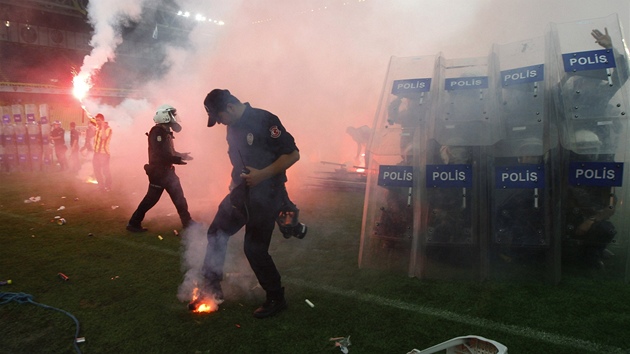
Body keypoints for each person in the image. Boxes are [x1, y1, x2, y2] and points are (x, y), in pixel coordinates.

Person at [194, 89, 304, 319]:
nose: (221, 122)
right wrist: (234, 183)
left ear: (231, 108)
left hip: (267, 193)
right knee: (216, 232)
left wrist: (262, 175)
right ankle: (211, 289)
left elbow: (293, 155)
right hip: (241, 192)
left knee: (254, 248)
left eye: (220, 116)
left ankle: (276, 298)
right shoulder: (231, 126)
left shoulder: (266, 120)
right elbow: (238, 160)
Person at [127, 104, 195, 232]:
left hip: (165, 172)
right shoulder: (157, 132)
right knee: (152, 199)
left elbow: (170, 153)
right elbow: (161, 154)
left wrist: (182, 156)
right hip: (159, 173)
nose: (174, 118)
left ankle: (188, 223)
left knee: (176, 197)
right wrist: (177, 160)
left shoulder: (164, 132)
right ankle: (133, 223)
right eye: (172, 115)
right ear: (165, 116)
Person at [92, 113, 112, 191]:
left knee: (105, 171)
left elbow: (104, 137)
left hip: (104, 154)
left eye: (99, 120)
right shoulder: (98, 127)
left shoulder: (108, 129)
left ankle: (108, 186)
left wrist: (103, 126)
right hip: (96, 153)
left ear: (103, 120)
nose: (97, 122)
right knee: (96, 170)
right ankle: (101, 185)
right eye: (96, 120)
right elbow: (91, 118)